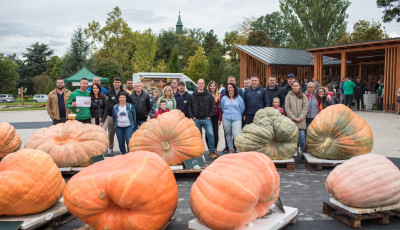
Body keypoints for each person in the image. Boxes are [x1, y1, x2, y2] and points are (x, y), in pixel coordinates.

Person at [102, 77, 129, 155]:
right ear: (113, 83)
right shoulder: (109, 92)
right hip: (111, 115)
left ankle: (122, 149)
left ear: (120, 83)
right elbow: (107, 104)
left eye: (118, 82)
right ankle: (110, 148)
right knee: (111, 133)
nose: (116, 84)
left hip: (122, 116)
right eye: (115, 82)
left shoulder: (124, 92)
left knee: (122, 134)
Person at [188, 79, 215, 156]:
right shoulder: (192, 95)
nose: (201, 85)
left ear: (204, 84)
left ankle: (211, 152)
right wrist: (192, 116)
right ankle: (199, 153)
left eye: (202, 83)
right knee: (198, 137)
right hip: (196, 119)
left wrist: (210, 116)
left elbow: (212, 106)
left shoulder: (209, 95)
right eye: (199, 83)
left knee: (211, 135)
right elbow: (189, 107)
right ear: (197, 84)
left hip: (206, 119)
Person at [220, 76, 244, 153]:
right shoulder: (224, 98)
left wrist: (237, 113)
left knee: (236, 134)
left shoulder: (239, 98)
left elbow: (242, 108)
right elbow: (222, 107)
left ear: (234, 88)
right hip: (226, 118)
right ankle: (231, 149)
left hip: (236, 118)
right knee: (228, 134)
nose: (230, 89)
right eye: (228, 88)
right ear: (227, 89)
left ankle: (237, 149)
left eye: (231, 87)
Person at [285, 81, 309, 154]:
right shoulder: (288, 96)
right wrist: (293, 118)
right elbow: (287, 108)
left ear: (299, 86)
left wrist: (301, 117)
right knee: (292, 137)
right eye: (294, 86)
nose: (295, 87)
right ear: (292, 87)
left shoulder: (303, 96)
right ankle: (293, 150)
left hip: (301, 121)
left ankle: (302, 150)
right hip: (292, 121)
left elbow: (305, 107)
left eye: (297, 86)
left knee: (302, 137)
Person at [206, 81, 222, 158]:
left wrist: (219, 119)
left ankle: (215, 148)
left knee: (215, 133)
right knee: (208, 134)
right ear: (208, 87)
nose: (212, 87)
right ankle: (210, 149)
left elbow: (220, 108)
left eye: (213, 86)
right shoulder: (206, 95)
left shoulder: (219, 95)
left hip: (215, 116)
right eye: (211, 86)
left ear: (216, 87)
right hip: (208, 116)